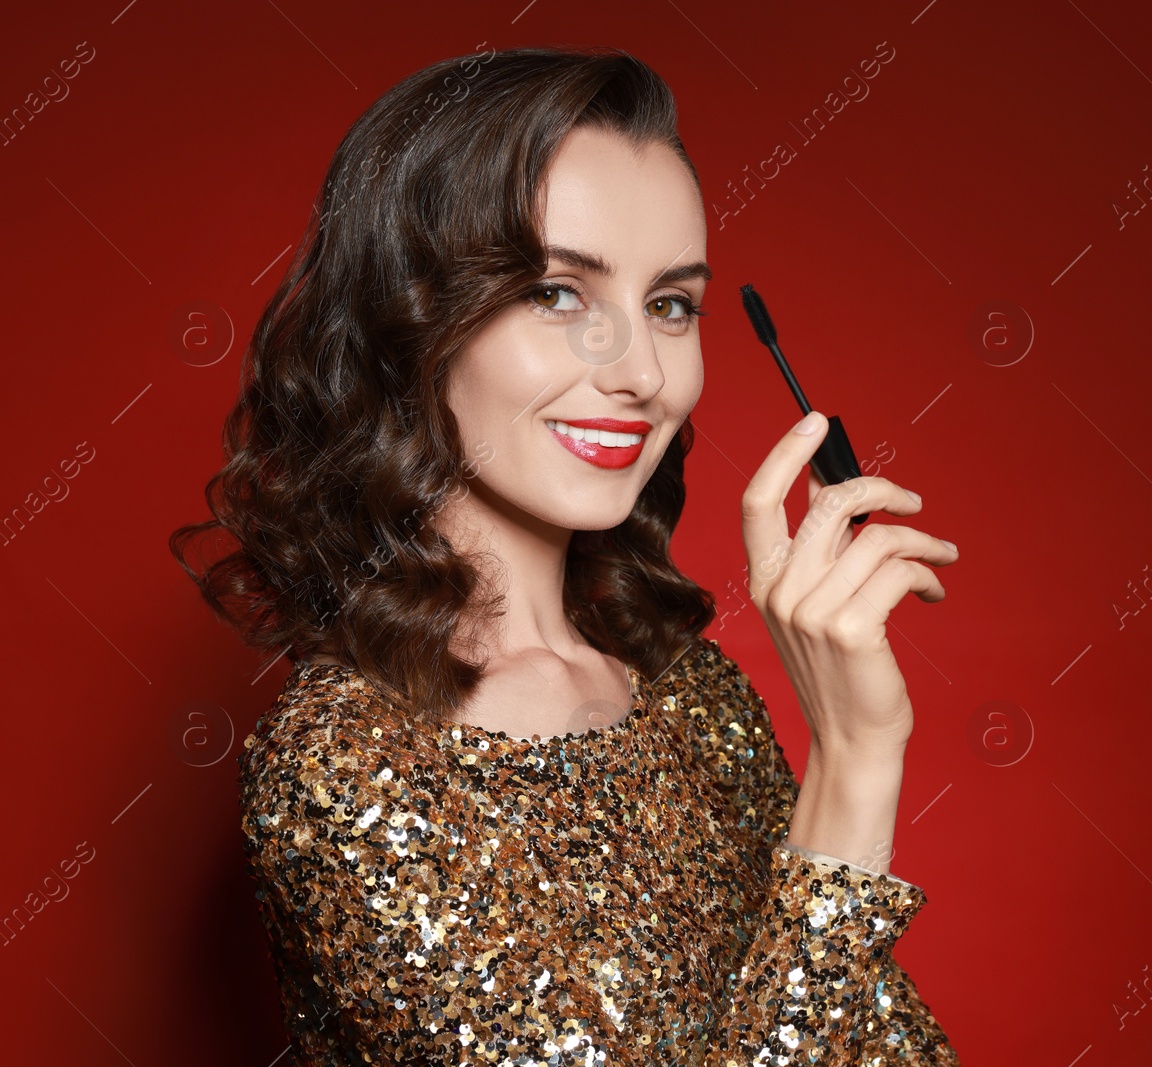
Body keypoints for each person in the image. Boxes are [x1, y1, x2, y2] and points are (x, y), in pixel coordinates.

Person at [171, 45, 961, 1065]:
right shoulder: (344, 765)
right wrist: (853, 767)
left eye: (671, 304)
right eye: (557, 292)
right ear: (408, 323)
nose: (640, 370)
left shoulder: (693, 698)